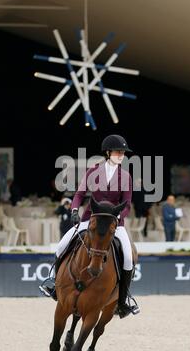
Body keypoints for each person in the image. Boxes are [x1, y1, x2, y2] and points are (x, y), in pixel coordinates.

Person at [41, 134, 140, 319]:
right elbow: (79, 194)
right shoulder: (93, 171)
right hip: (90, 219)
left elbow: (127, 204)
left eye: (123, 153)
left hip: (114, 223)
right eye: (119, 152)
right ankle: (55, 286)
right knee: (61, 246)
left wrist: (117, 217)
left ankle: (123, 301)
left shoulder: (125, 176)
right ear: (108, 152)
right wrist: (74, 210)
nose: (122, 155)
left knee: (127, 257)